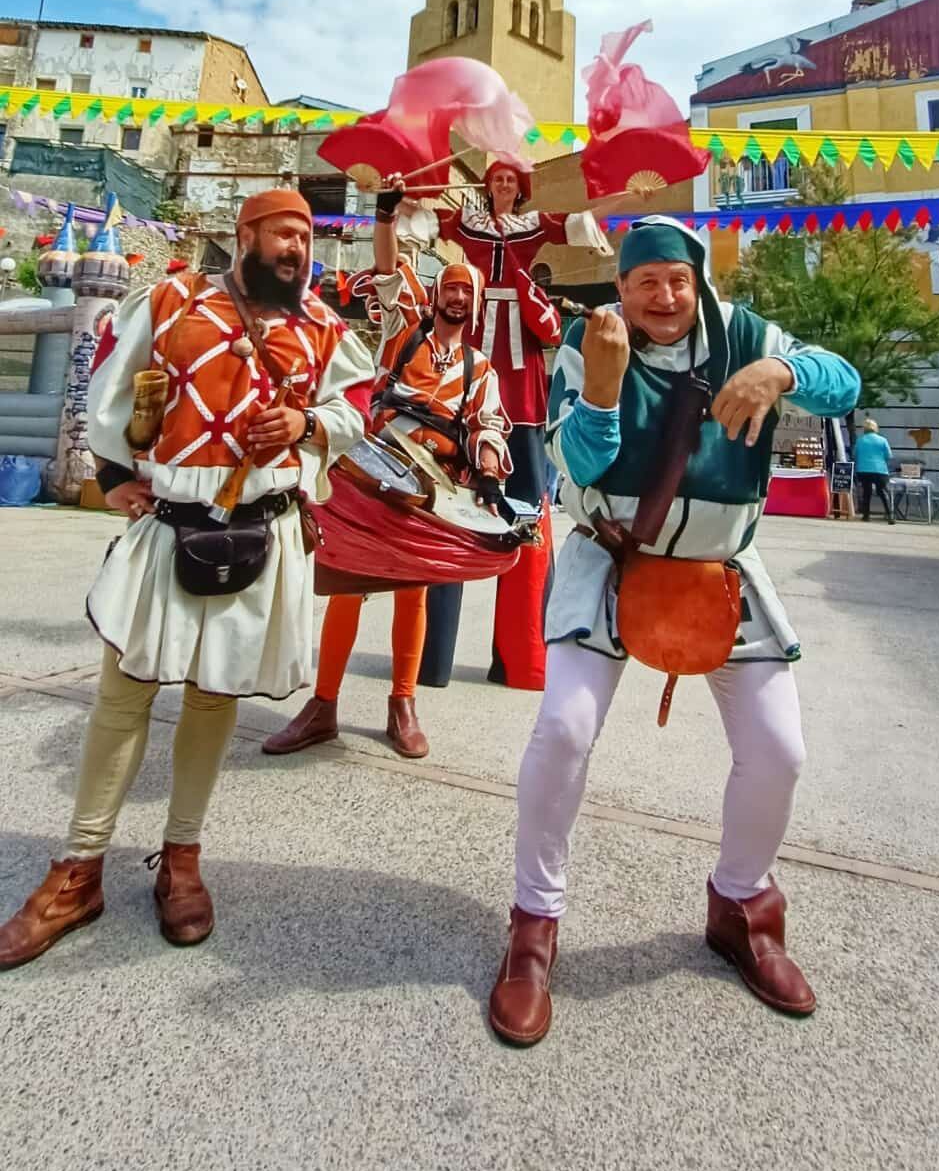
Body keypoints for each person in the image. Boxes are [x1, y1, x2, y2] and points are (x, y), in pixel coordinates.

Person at [488, 216, 861, 1045]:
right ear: (620, 289)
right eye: (645, 282)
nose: (663, 297)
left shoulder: (746, 336)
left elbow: (841, 384)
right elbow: (577, 467)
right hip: (609, 559)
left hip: (718, 570)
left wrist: (778, 369)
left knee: (777, 749)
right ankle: (533, 924)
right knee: (563, 728)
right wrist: (602, 388)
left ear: (698, 283)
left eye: (678, 281)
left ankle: (742, 905)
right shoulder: (588, 343)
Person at [0, 189, 373, 970]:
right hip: (170, 523)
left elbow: (356, 407)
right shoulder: (171, 300)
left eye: (305, 236)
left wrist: (307, 424)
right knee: (123, 693)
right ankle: (78, 869)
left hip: (261, 529)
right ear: (246, 235)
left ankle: (182, 856)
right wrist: (112, 475)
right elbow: (113, 380)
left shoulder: (321, 325)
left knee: (214, 695)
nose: (297, 248)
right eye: (283, 233)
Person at [262, 181, 512, 761]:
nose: (456, 297)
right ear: (437, 295)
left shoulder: (481, 369)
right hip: (370, 468)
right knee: (347, 587)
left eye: (465, 291)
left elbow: (488, 426)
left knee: (412, 594)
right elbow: (385, 267)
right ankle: (322, 704)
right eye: (449, 287)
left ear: (474, 305)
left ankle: (403, 704)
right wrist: (384, 215)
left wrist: (489, 470)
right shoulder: (405, 332)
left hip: (429, 487)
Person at [415, 156, 609, 690]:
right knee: (449, 509)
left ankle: (521, 658)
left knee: (526, 516)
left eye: (510, 181)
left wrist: (623, 201)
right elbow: (425, 219)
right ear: (488, 186)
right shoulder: (469, 224)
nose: (502, 186)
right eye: (496, 179)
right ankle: (431, 660)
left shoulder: (531, 228)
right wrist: (400, 193)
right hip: (472, 351)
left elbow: (578, 222)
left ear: (519, 189)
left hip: (520, 377)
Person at [852, 419, 894, 523]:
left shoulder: (860, 440)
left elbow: (854, 455)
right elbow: (889, 456)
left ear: (864, 428)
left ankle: (866, 516)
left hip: (864, 469)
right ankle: (890, 516)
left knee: (867, 492)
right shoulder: (883, 440)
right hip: (880, 470)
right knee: (882, 491)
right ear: (875, 428)